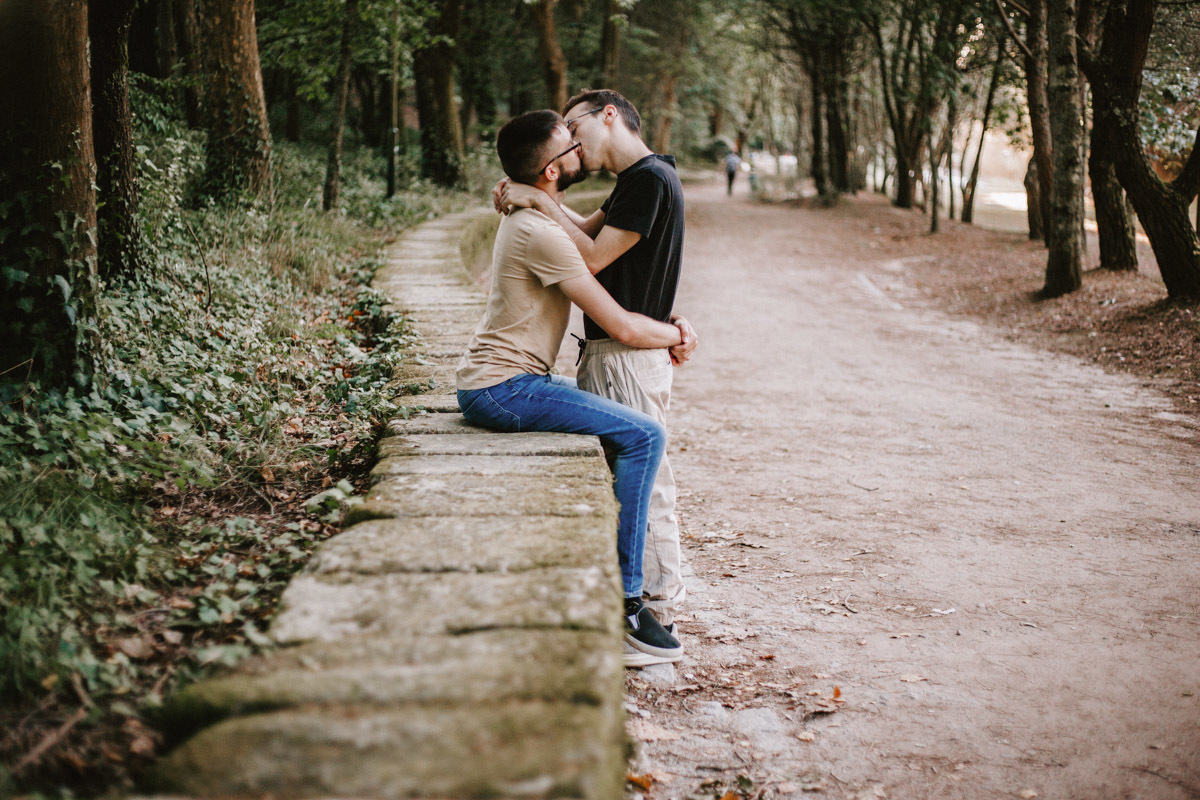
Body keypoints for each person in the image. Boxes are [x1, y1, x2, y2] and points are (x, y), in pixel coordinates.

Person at [457, 110, 693, 667]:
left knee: (618, 421)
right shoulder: (542, 235)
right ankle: (627, 608)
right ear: (551, 170)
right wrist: (681, 334)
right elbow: (622, 326)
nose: (578, 150)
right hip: (504, 388)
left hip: (504, 383)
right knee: (644, 437)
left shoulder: (535, 221)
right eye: (569, 145)